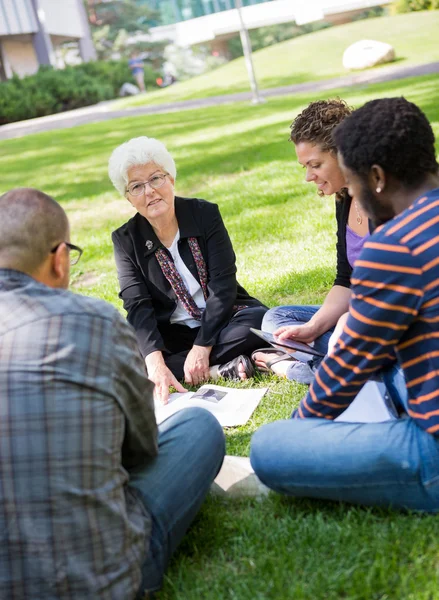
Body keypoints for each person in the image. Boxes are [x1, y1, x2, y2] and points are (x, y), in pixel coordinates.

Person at [0, 188, 225, 598]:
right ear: (60, 259)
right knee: (199, 425)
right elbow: (141, 451)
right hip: (101, 574)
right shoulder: (93, 321)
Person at [251, 97, 439, 512]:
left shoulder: (394, 245)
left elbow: (345, 372)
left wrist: (302, 436)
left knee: (269, 446)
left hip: (431, 446)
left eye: (353, 184)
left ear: (374, 177)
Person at [109, 136, 268, 404]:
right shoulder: (125, 240)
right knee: (128, 355)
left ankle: (194, 366)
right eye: (136, 186)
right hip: (172, 333)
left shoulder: (204, 214)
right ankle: (220, 371)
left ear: (171, 179)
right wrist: (155, 361)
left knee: (257, 322)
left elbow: (223, 286)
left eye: (156, 179)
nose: (149, 191)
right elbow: (137, 305)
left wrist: (203, 346)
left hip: (222, 321)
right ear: (128, 198)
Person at [252, 99, 370, 383]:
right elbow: (346, 279)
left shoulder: (387, 198)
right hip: (359, 312)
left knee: (354, 340)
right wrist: (315, 326)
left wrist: (348, 323)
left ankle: (295, 368)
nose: (308, 176)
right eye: (305, 166)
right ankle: (344, 362)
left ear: (344, 154)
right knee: (277, 320)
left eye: (315, 164)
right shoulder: (345, 197)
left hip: (388, 315)